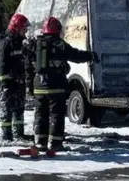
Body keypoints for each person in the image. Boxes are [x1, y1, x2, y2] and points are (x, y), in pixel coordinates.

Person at [26, 16, 98, 156]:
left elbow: (27, 64)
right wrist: (91, 56)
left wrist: (29, 85)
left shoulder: (35, 44)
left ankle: (40, 143)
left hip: (39, 86)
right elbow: (75, 56)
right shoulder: (59, 44)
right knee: (56, 115)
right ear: (57, 30)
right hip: (55, 85)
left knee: (40, 114)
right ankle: (56, 143)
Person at [0, 13, 31, 143]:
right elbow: (0, 65)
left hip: (19, 83)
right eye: (23, 28)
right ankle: (6, 136)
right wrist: (4, 82)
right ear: (16, 28)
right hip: (8, 84)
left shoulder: (21, 43)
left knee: (19, 109)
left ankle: (19, 134)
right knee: (6, 111)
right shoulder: (5, 43)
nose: (25, 31)